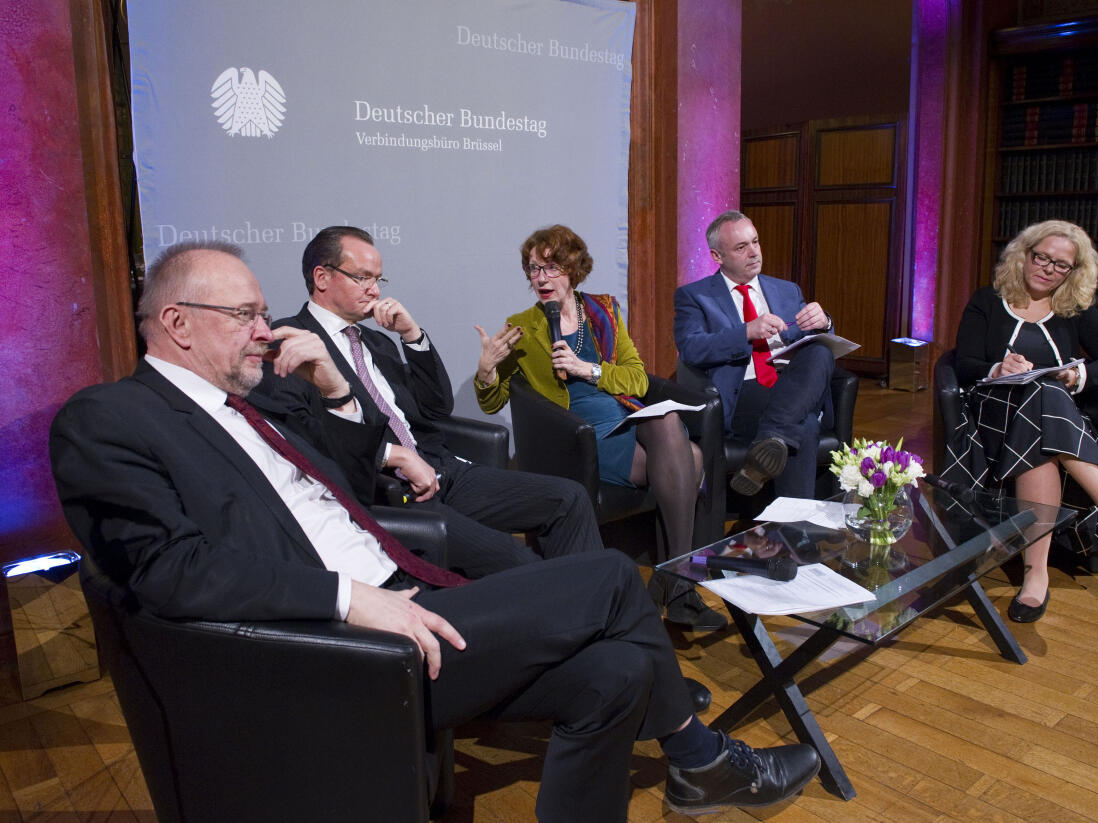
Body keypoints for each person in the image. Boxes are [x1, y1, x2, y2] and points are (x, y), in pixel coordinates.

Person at [49, 242, 820, 821]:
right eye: (246, 315)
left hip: (401, 590)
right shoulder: (111, 418)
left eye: (261, 314)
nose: (264, 328)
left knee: (617, 672)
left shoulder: (248, 403)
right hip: (338, 652)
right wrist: (347, 598)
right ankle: (702, 759)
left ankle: (687, 758)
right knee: (615, 578)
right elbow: (168, 572)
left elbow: (347, 469)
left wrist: (328, 385)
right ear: (178, 324)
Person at [273, 226, 606, 580]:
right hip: (392, 489)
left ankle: (596, 611)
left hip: (443, 469)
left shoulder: (376, 342)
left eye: (378, 279)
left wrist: (411, 335)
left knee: (568, 498)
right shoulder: (296, 342)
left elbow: (436, 408)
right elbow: (303, 436)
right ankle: (573, 613)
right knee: (518, 560)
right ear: (322, 277)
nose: (374, 289)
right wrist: (393, 455)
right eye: (362, 278)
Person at [473, 224, 726, 632]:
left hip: (625, 417)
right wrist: (486, 371)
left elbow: (638, 380)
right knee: (691, 455)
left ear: (573, 269)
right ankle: (679, 585)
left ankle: (672, 582)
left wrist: (586, 369)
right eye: (533, 269)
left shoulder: (603, 311)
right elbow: (493, 402)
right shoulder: (523, 325)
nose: (540, 278)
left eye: (550, 267)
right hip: (579, 438)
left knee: (665, 419)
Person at [942, 220, 1098, 623]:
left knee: (1046, 399)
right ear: (1024, 255)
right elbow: (962, 363)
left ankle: (1036, 574)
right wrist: (998, 367)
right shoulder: (987, 301)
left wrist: (1077, 375)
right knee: (1042, 395)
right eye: (1041, 257)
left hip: (1045, 423)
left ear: (1073, 272)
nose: (1047, 268)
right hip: (993, 416)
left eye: (1060, 265)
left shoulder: (1072, 310)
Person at [674, 210, 835, 500]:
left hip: (791, 383)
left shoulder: (787, 290)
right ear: (717, 256)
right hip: (743, 392)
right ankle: (797, 532)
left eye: (756, 242)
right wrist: (746, 331)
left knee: (821, 351)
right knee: (807, 425)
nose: (754, 253)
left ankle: (768, 443)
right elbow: (692, 348)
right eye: (741, 247)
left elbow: (808, 339)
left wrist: (824, 323)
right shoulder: (694, 296)